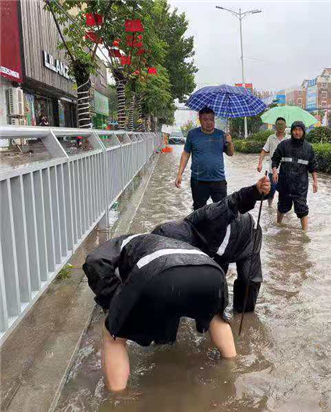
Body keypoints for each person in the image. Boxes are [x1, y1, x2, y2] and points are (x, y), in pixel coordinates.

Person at [83, 233, 236, 392]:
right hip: (212, 271)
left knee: (112, 334)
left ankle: (118, 397)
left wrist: (113, 305)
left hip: (159, 269)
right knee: (216, 317)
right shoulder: (166, 241)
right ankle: (232, 367)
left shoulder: (119, 244)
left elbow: (94, 261)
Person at [152, 176, 271, 313]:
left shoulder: (207, 218)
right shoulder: (189, 256)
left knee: (248, 285)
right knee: (213, 296)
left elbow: (234, 201)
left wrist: (255, 190)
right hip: (219, 253)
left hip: (248, 236)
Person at [175, 107, 234, 210]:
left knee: (222, 211)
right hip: (198, 180)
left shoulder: (221, 135)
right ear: (200, 120)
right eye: (205, 119)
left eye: (211, 119)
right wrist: (179, 174)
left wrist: (229, 142)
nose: (209, 122)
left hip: (218, 180)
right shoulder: (192, 134)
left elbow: (230, 153)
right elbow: (186, 154)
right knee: (198, 211)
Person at [271, 121, 318, 231]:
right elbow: (275, 159)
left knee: (302, 209)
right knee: (282, 206)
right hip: (285, 183)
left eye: (300, 130)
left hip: (300, 185)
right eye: (295, 130)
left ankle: (304, 233)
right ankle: (278, 225)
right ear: (292, 131)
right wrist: (274, 172)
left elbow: (313, 166)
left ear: (303, 132)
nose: (297, 132)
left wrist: (315, 182)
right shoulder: (284, 145)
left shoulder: (308, 147)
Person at [256, 117, 289, 207]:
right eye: (278, 124)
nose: (280, 126)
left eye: (282, 124)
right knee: (272, 191)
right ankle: (270, 208)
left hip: (286, 171)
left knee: (285, 192)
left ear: (285, 126)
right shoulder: (271, 138)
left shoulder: (289, 138)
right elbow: (264, 151)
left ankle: (283, 209)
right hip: (273, 170)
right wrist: (260, 163)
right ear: (275, 126)